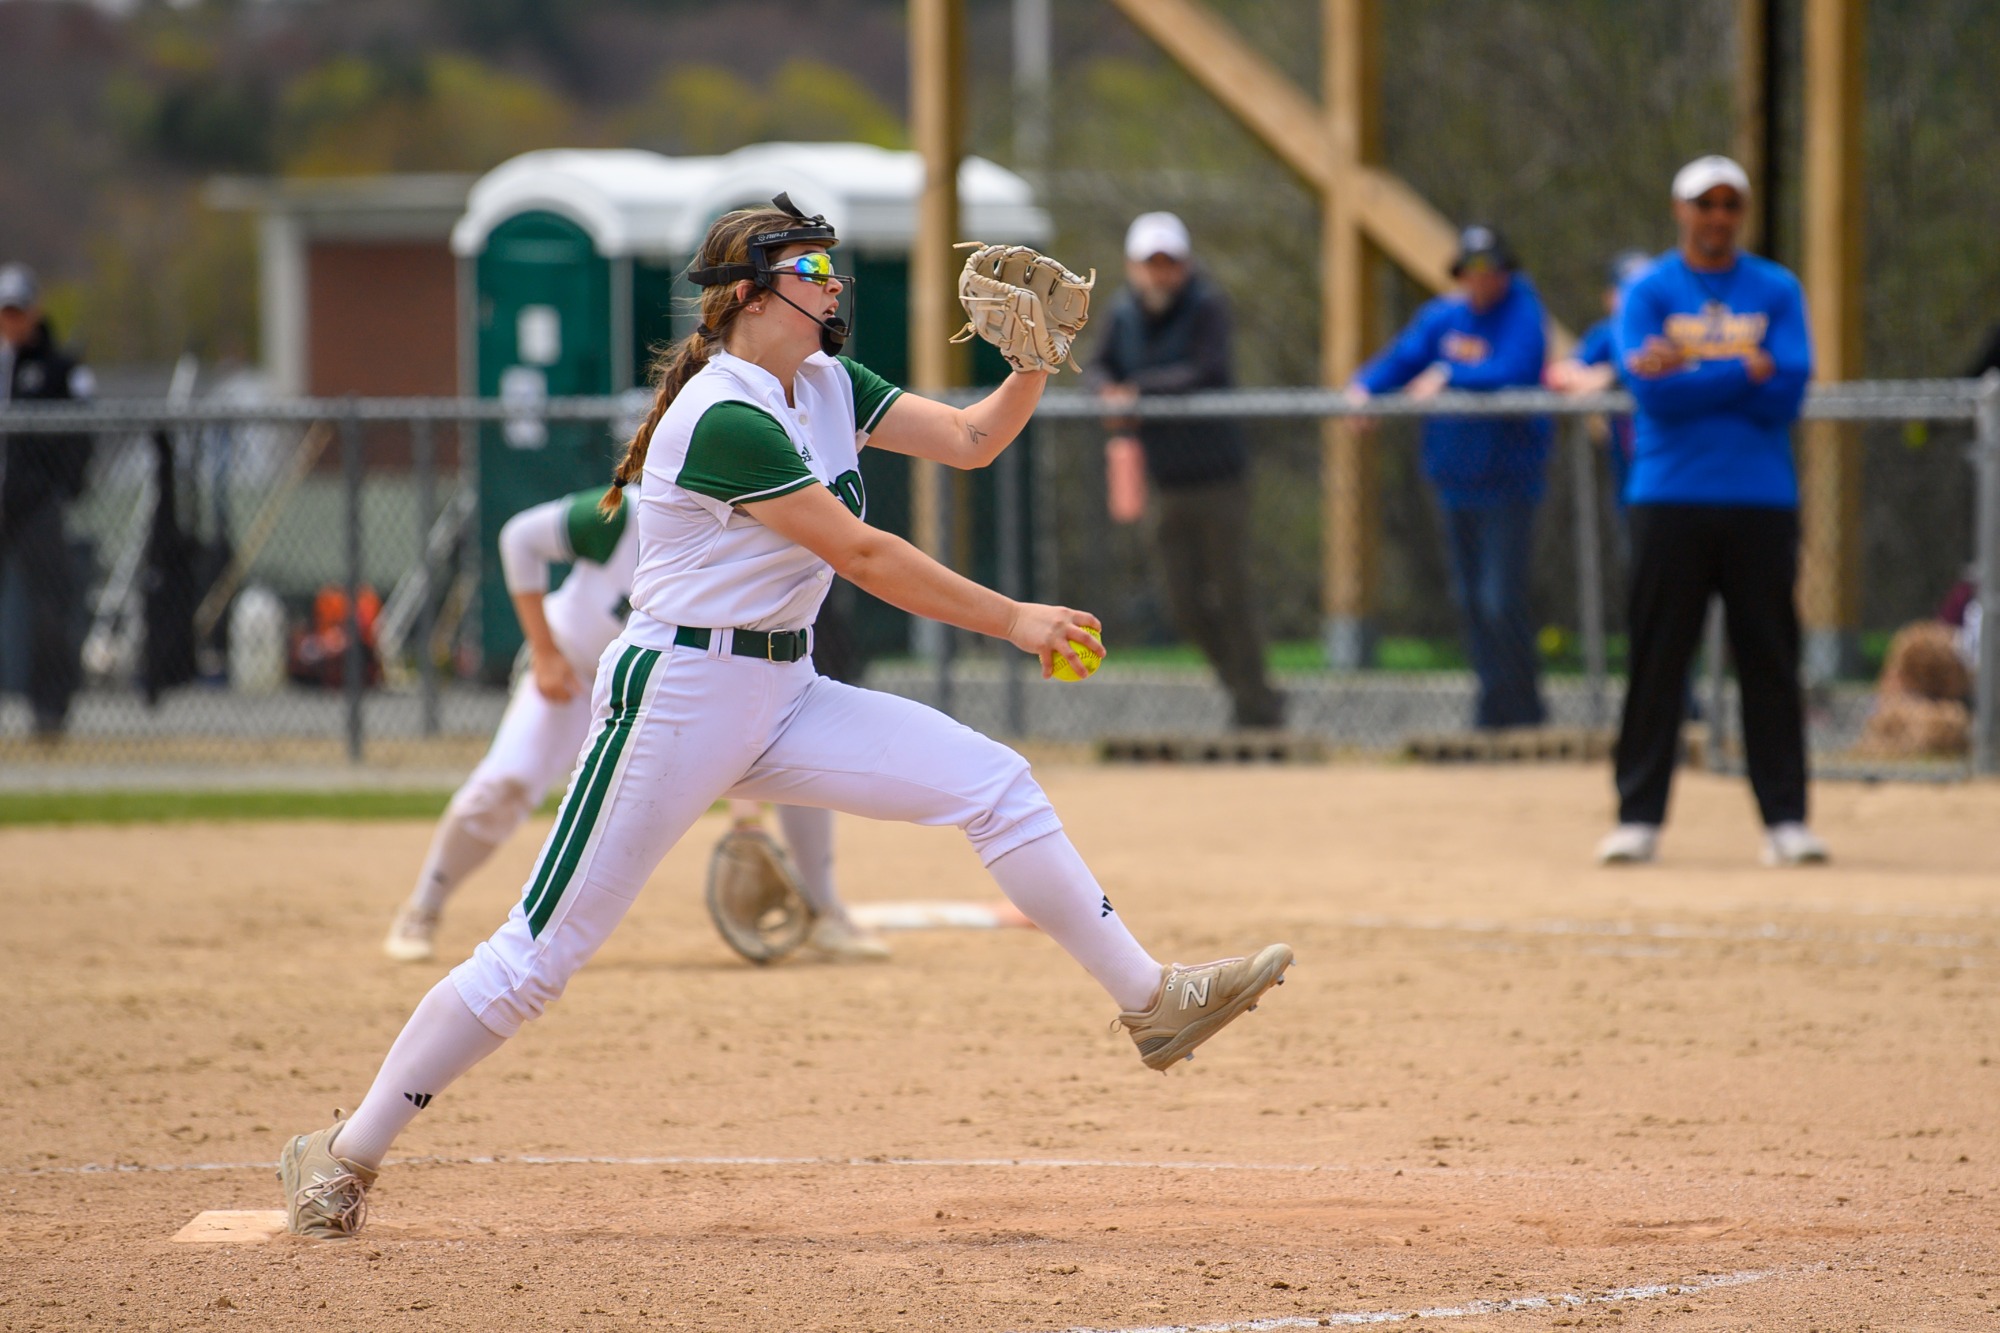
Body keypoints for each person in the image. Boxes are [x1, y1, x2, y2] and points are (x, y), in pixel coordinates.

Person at [279, 198, 1293, 1237]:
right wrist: (1014, 619)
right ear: (747, 294)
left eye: (829, 265)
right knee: (537, 958)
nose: (831, 282)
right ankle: (344, 1155)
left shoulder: (823, 382)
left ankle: (1151, 1000)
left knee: (993, 781)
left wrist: (1030, 363)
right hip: (673, 697)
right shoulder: (722, 413)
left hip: (780, 688)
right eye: (809, 267)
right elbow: (861, 554)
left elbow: (969, 438)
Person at [381, 485, 888, 965]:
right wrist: (544, 651)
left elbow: (740, 684)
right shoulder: (625, 515)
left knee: (796, 762)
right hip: (575, 674)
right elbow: (519, 538)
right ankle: (422, 909)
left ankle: (826, 913)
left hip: (669, 691)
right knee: (508, 779)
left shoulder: (749, 547)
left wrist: (746, 817)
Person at [1594, 155, 1827, 868]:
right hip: (1668, 495)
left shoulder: (1777, 288)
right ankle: (1638, 816)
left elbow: (1786, 392)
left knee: (1769, 658)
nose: (1718, 216)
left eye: (1731, 204)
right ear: (1680, 209)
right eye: (1705, 204)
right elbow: (1651, 394)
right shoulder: (1650, 288)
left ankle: (1785, 819)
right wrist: (1740, 368)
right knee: (1659, 657)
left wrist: (1693, 367)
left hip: (1760, 497)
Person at [1347, 224, 1553, 730]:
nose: (1480, 279)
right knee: (1469, 602)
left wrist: (1451, 376)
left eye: (1490, 268)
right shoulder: (1444, 319)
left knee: (1499, 599)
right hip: (1454, 479)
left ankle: (1522, 708)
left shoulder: (1522, 314)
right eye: (1470, 269)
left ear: (1506, 271)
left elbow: (1518, 370)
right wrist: (1363, 387)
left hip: (1507, 482)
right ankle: (1493, 705)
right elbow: (1401, 360)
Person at [1088, 212, 1283, 730]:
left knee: (1233, 596)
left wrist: (1139, 393)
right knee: (1184, 605)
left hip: (1218, 479)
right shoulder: (1122, 313)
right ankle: (1247, 691)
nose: (1160, 273)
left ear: (1185, 264)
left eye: (1168, 263)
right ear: (1132, 267)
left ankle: (1257, 708)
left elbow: (1206, 370)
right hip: (1163, 481)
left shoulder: (1207, 306)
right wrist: (1108, 390)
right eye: (1150, 263)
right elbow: (1098, 365)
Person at [0, 262, 94, 741]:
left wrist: (63, 485)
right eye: (4, 312)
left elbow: (82, 433)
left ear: (34, 311)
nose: (11, 321)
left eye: (17, 311)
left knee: (50, 606)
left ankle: (50, 710)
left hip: (34, 503)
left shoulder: (57, 368)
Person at [1548, 249, 1655, 516]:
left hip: (1670, 465)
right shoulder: (1610, 334)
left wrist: (1610, 375)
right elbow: (1562, 374)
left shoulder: (1670, 331)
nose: (1638, 299)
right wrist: (1573, 377)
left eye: (1646, 290)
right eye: (1629, 290)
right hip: (1627, 464)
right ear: (1610, 298)